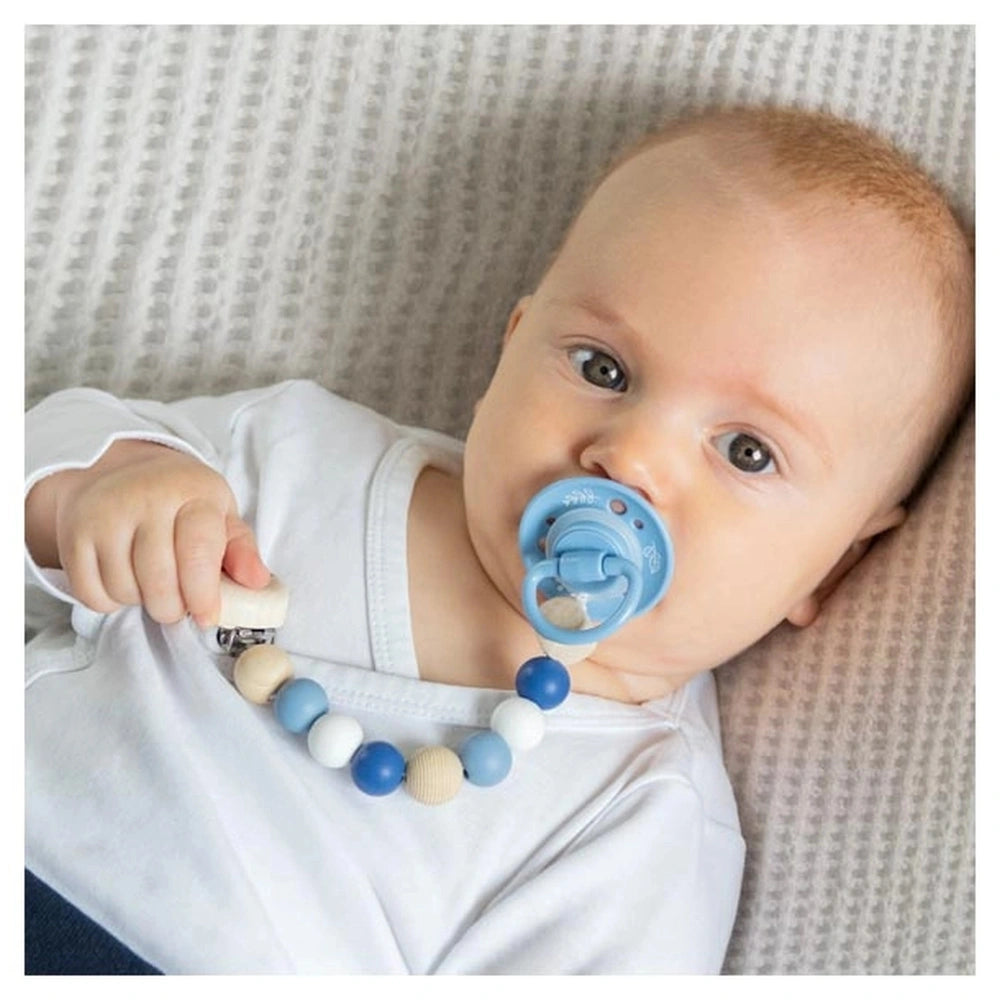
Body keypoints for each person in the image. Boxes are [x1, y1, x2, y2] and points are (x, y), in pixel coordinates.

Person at [24, 107, 974, 974]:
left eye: (747, 451)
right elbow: (40, 465)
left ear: (839, 561)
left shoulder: (644, 820)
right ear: (508, 350)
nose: (632, 458)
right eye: (603, 367)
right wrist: (104, 489)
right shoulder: (305, 453)